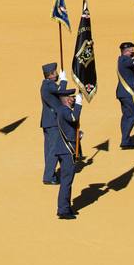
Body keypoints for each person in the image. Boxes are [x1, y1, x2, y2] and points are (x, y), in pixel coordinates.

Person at [52, 84, 82, 219]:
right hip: (66, 150)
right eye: (71, 97)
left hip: (65, 148)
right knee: (66, 181)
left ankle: (66, 207)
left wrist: (78, 135)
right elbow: (74, 118)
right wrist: (79, 106)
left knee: (68, 180)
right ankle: (63, 209)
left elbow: (70, 126)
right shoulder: (64, 111)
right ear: (65, 99)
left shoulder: (63, 110)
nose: (73, 99)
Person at [39, 62, 64, 184]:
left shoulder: (46, 85)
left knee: (49, 150)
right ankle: (48, 177)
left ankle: (50, 174)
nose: (57, 74)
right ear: (50, 75)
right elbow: (61, 91)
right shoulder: (50, 85)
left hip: (48, 122)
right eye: (55, 72)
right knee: (54, 149)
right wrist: (64, 81)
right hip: (53, 122)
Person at [115, 38, 134, 149]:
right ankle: (125, 140)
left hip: (124, 93)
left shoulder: (122, 60)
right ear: (125, 51)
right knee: (132, 116)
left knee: (126, 116)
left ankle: (125, 138)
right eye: (131, 49)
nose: (133, 51)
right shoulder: (125, 60)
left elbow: (130, 73)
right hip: (127, 94)